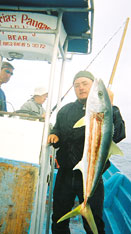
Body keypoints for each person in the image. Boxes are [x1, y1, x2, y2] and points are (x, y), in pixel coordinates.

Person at [47, 71, 126, 234]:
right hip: (66, 174)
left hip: (93, 177)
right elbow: (58, 131)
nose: (80, 87)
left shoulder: (106, 110)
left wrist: (110, 107)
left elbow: (118, 135)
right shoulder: (66, 110)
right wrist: (54, 135)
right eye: (77, 85)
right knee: (59, 218)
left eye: (85, 84)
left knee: (94, 224)